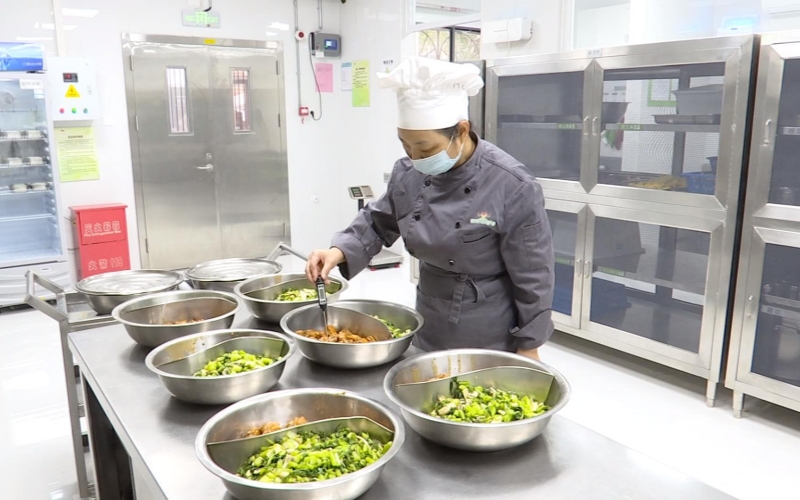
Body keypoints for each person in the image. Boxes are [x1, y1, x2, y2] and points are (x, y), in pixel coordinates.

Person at [306, 57, 554, 360]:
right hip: (430, 312)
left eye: (425, 148)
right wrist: (338, 251)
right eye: (405, 145)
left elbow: (533, 273)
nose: (415, 157)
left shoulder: (512, 184)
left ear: (461, 130)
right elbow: (377, 221)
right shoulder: (407, 172)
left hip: (487, 325)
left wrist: (529, 345)